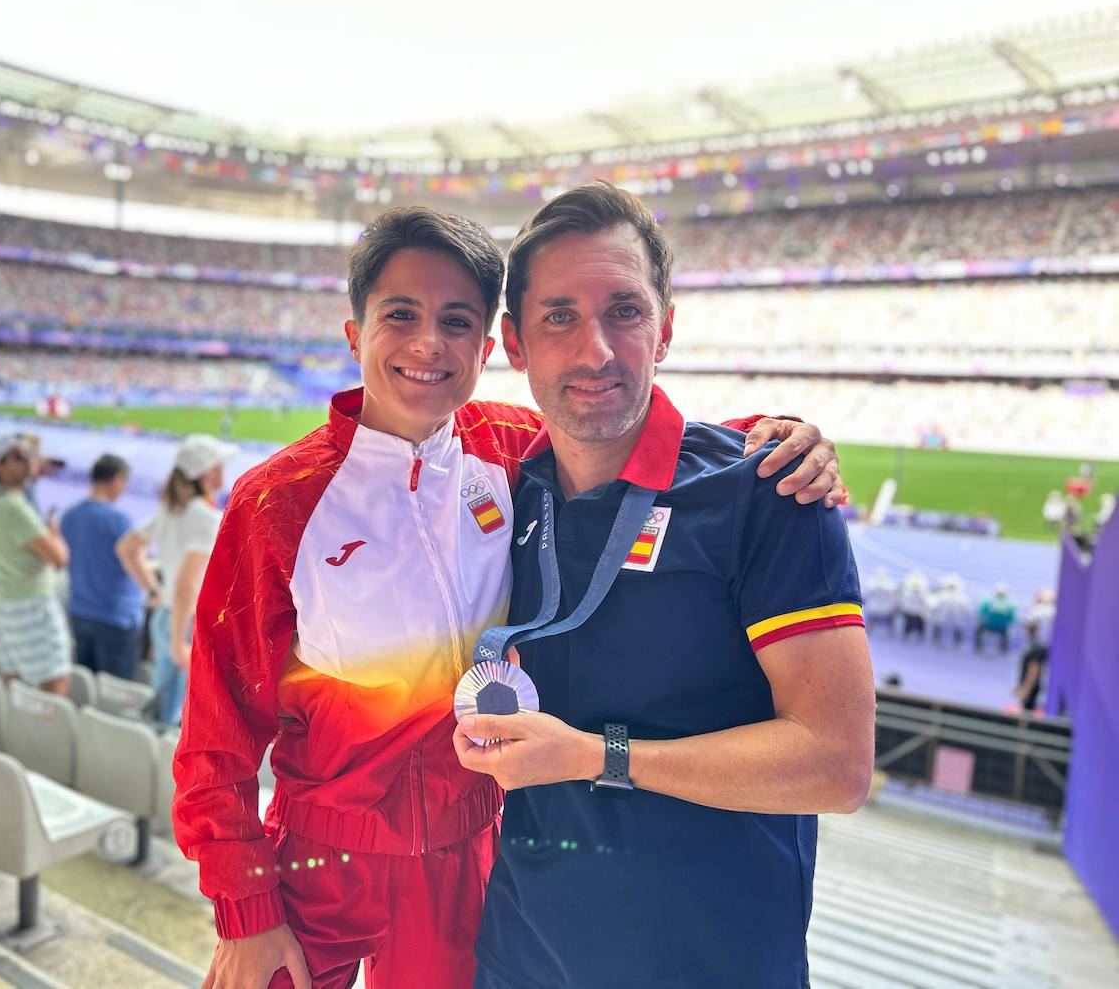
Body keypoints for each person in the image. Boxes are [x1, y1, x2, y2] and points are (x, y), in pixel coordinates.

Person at [172, 204, 846, 989]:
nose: (429, 344)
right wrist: (245, 907)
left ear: (488, 349)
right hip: (323, 854)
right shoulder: (275, 503)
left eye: (457, 322)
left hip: (470, 852)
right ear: (354, 334)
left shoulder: (505, 447)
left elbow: (618, 431)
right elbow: (215, 734)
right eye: (401, 315)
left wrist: (764, 436)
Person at [451, 181, 875, 989]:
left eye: (626, 311)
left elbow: (838, 761)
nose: (596, 350)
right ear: (514, 342)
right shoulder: (505, 492)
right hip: (519, 956)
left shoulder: (769, 493)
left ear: (667, 326)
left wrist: (595, 756)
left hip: (709, 963)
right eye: (559, 317)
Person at [116, 435, 234, 723]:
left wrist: (155, 590)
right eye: (219, 465)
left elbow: (127, 549)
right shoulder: (206, 518)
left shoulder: (172, 510)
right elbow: (186, 586)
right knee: (174, 717)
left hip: (168, 617)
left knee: (164, 708)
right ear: (208, 472)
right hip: (184, 624)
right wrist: (177, 639)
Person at [0, 433, 73, 694]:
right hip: (30, 605)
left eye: (30, 455)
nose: (29, 461)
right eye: (19, 456)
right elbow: (59, 558)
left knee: (15, 680)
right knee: (54, 682)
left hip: (6, 601)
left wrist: (33, 469)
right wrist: (55, 533)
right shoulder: (15, 507)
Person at [61, 453, 147, 679]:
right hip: (115, 616)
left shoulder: (69, 515)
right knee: (115, 690)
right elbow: (135, 559)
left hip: (80, 611)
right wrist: (154, 589)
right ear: (117, 480)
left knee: (88, 682)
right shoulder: (118, 520)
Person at [1014, 621, 1048, 713]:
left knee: (1027, 714)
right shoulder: (1031, 646)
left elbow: (1034, 671)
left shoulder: (1035, 649)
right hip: (1029, 687)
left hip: (1031, 689)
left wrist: (1025, 690)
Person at [975, 583, 1016, 654]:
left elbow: (980, 613)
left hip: (987, 626)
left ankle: (978, 646)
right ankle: (1003, 650)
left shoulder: (988, 601)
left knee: (978, 628)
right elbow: (1012, 619)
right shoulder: (1010, 605)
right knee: (1007, 632)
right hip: (1001, 629)